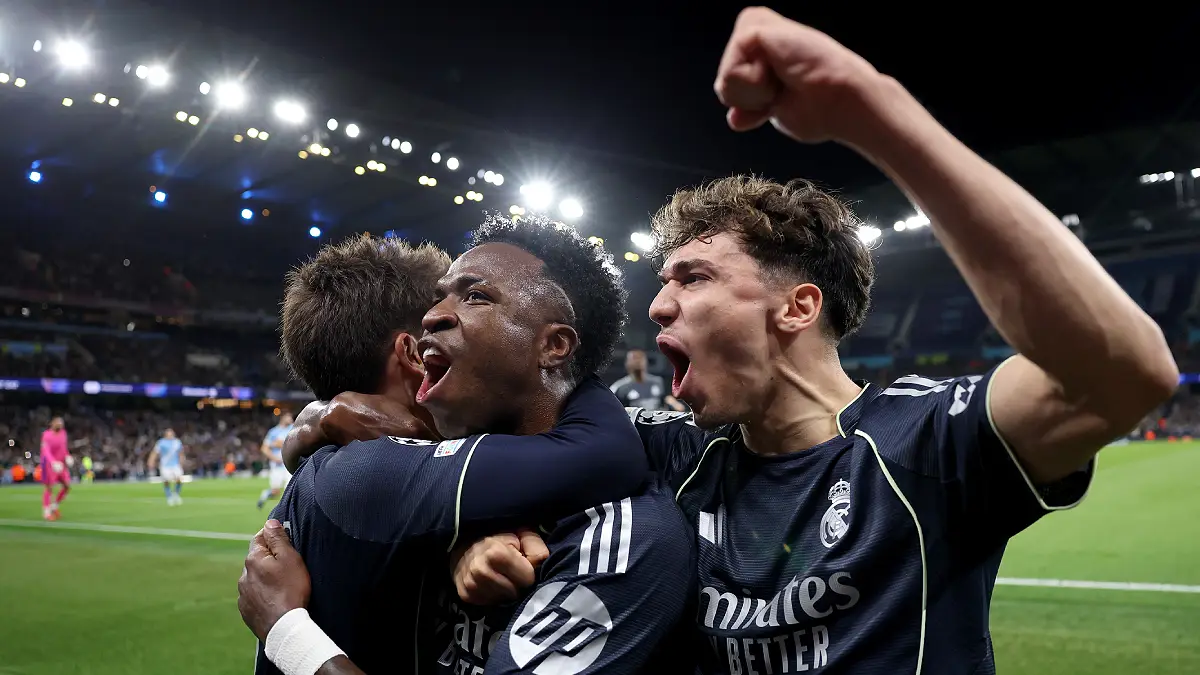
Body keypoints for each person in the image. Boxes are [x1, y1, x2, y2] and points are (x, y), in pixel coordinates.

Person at [288, 8, 1179, 674]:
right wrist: (445, 524)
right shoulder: (669, 453)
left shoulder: (921, 446)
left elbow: (1125, 372)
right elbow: (480, 436)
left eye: (693, 278)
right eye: (661, 282)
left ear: (795, 307)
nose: (660, 307)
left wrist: (876, 112)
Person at [242, 225, 691, 675]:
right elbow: (605, 450)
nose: (432, 317)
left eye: (475, 296)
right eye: (438, 297)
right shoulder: (365, 471)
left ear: (555, 345)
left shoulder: (622, 538)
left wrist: (285, 627)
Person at [610, 349, 684, 412]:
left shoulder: (657, 381)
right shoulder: (619, 387)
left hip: (657, 423)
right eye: (634, 358)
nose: (638, 361)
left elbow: (665, 398)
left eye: (640, 358)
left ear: (646, 361)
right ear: (627, 363)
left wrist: (674, 403)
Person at [257, 414, 294, 510]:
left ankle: (287, 512)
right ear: (282, 418)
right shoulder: (274, 432)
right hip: (277, 465)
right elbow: (264, 448)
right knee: (275, 491)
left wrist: (280, 443)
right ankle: (265, 494)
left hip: (289, 464)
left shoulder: (293, 428)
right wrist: (274, 458)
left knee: (289, 489)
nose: (290, 419)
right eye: (288, 416)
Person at [39, 417, 70, 520]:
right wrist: (53, 462)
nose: (60, 425)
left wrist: (67, 456)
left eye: (62, 423)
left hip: (61, 464)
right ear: (52, 424)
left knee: (66, 486)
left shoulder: (63, 433)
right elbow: (45, 450)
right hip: (49, 464)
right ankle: (46, 512)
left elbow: (63, 447)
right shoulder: (46, 435)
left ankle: (54, 506)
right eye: (58, 423)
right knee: (49, 487)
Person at [149, 428, 185, 505]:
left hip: (175, 464)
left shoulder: (177, 442)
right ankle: (169, 497)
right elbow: (155, 452)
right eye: (169, 434)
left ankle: (176, 494)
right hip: (165, 465)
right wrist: (151, 461)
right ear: (165, 435)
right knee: (166, 481)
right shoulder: (161, 443)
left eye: (171, 434)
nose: (170, 435)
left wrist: (182, 461)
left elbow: (181, 452)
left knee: (179, 479)